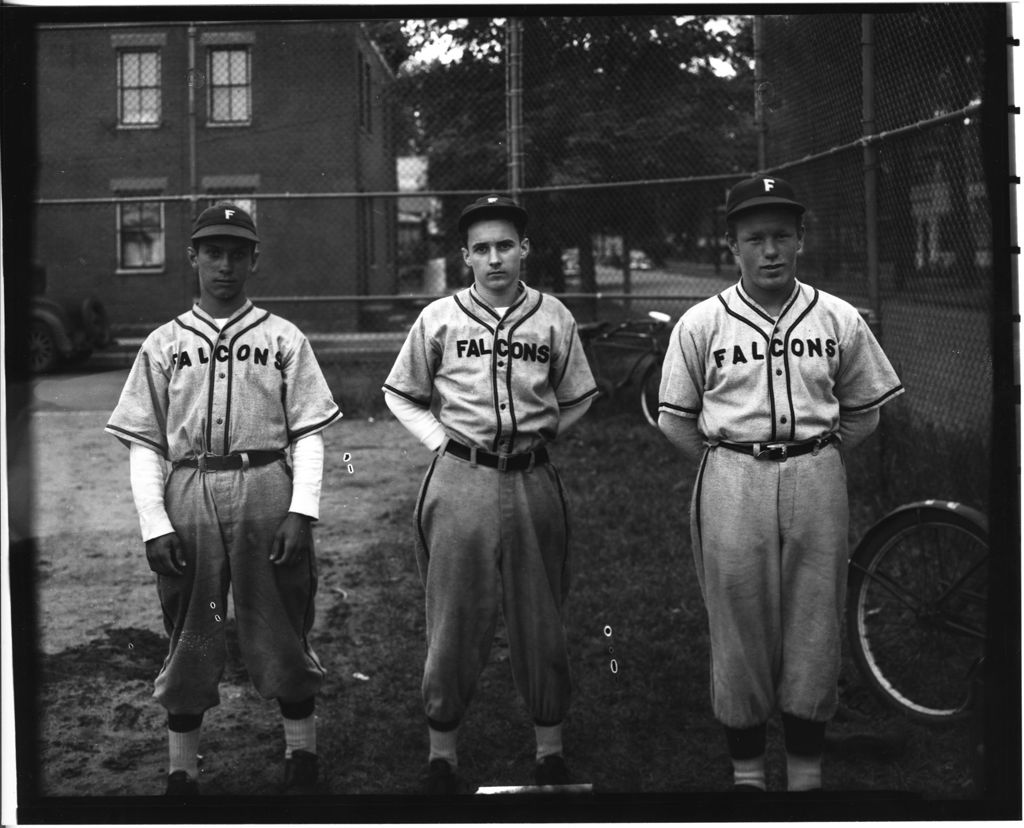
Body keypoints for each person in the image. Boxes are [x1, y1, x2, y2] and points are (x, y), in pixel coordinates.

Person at [657, 175, 904, 793]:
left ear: (800, 240)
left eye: (781, 236)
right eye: (754, 238)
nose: (769, 250)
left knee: (814, 617)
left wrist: (814, 455)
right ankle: (746, 773)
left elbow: (865, 409)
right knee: (736, 615)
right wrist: (730, 463)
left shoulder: (838, 316)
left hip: (816, 470)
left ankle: (805, 775)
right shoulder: (702, 322)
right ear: (733, 246)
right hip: (732, 473)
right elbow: (674, 419)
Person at [106, 203, 342, 796]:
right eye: (214, 252)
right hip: (189, 485)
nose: (225, 264)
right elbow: (145, 444)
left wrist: (302, 510)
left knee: (283, 619)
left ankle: (301, 754)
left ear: (254, 259)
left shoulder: (284, 336)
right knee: (191, 627)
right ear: (193, 257)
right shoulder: (162, 343)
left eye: (238, 253)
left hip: (266, 482)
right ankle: (182, 768)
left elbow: (310, 432)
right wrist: (154, 523)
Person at [382, 194, 599, 793]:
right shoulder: (440, 318)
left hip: (532, 477)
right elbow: (400, 392)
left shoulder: (552, 314)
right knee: (454, 616)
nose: (495, 258)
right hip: (461, 478)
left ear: (524, 249)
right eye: (482, 248)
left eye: (506, 245)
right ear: (465, 257)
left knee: (541, 616)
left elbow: (579, 393)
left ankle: (549, 749)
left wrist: (546, 432)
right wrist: (438, 440)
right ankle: (442, 754)